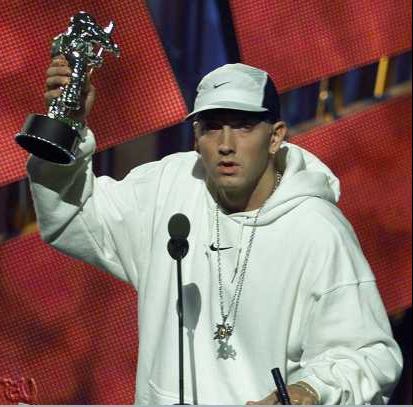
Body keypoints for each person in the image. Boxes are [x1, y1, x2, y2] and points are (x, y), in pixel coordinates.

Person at [27, 58, 402, 405]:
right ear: (195, 138)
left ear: (275, 137)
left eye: (242, 126)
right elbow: (75, 214)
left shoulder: (317, 229)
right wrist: (66, 126)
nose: (225, 145)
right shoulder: (169, 186)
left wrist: (311, 390)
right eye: (211, 128)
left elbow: (368, 354)